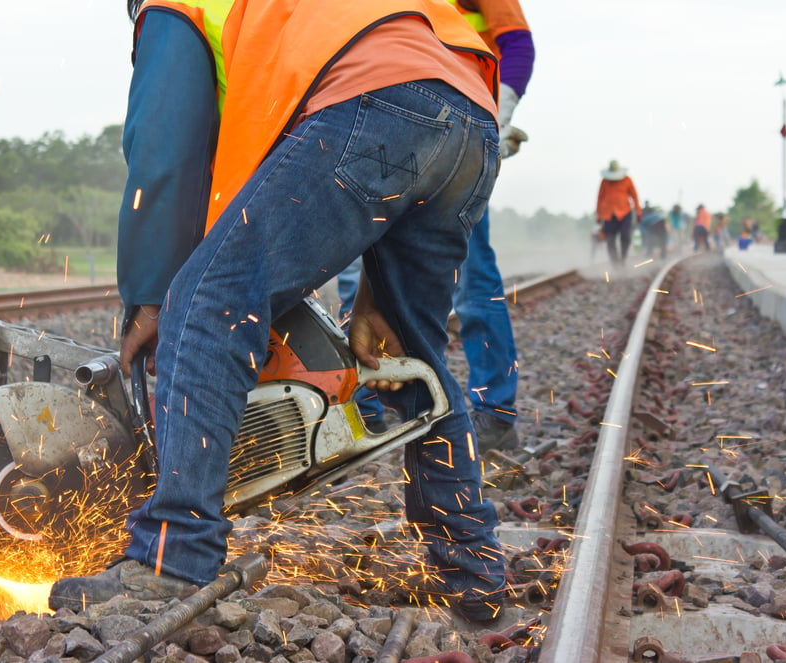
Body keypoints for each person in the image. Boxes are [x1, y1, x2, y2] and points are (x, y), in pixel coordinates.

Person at [49, 0, 510, 625]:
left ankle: (173, 557)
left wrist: (151, 296)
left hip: (374, 100)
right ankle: (474, 570)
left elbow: (163, 150)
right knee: (408, 357)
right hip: (469, 116)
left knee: (206, 302)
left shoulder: (172, 6)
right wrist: (374, 293)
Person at [336, 0, 535, 451]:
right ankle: (368, 403)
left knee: (472, 275)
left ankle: (494, 413)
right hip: (386, 122)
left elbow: (517, 45)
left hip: (457, 133)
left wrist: (496, 117)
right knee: (355, 269)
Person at [596, 160, 641, 266]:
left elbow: (634, 195)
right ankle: (615, 263)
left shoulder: (627, 180)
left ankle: (623, 259)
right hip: (608, 215)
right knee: (610, 240)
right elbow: (600, 198)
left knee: (625, 237)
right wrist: (598, 214)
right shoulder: (605, 181)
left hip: (625, 212)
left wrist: (638, 211)